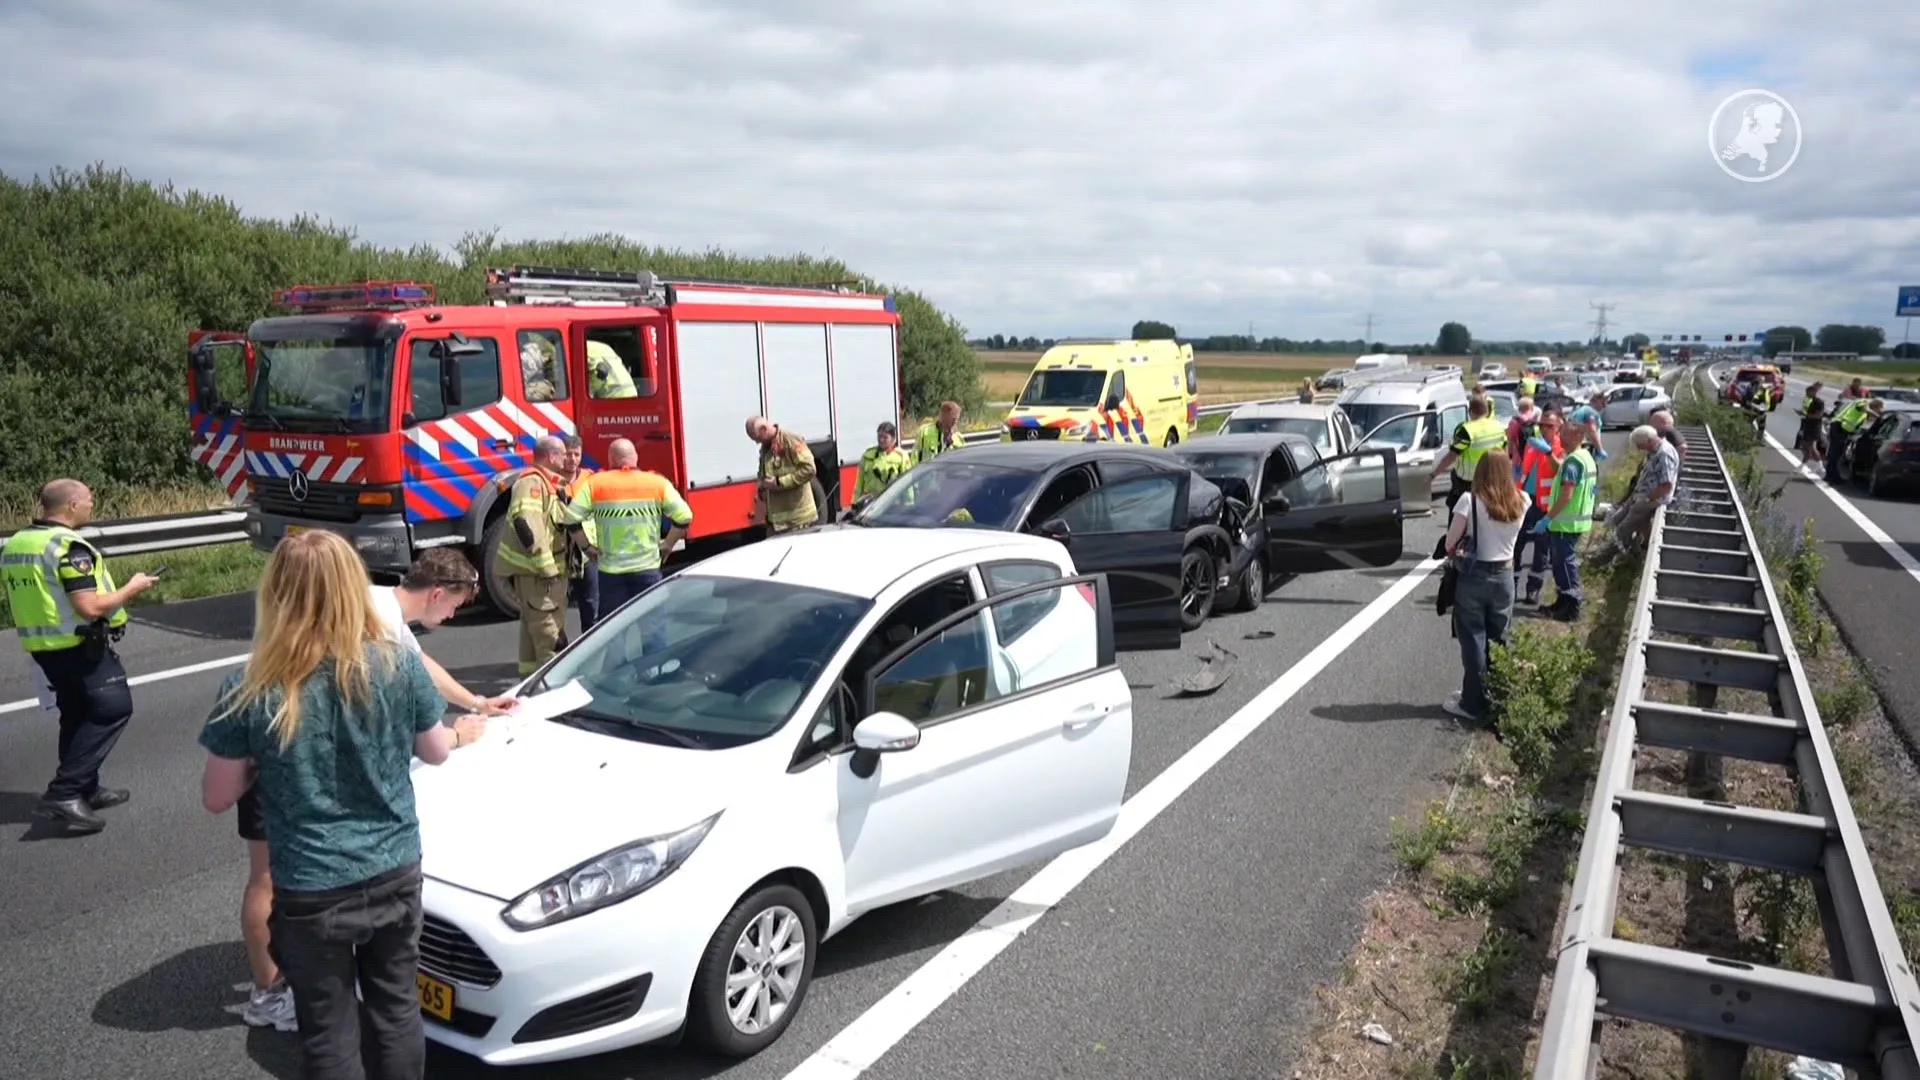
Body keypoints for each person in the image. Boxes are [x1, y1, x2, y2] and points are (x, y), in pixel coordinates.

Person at [198, 530, 482, 1080]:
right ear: (354, 587)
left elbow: (217, 797)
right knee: (396, 1008)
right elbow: (435, 751)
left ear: (275, 593)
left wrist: (261, 760)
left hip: (311, 881)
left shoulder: (250, 685)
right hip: (395, 865)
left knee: (328, 1027)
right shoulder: (397, 665)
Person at [1, 479, 160, 833]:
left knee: (75, 713)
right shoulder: (68, 547)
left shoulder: (18, 543)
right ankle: (65, 792)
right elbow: (88, 607)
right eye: (89, 499)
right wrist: (132, 588)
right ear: (71, 505)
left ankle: (86, 787)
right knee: (113, 708)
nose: (93, 504)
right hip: (78, 645)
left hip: (43, 647)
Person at [1441, 451, 1528, 724]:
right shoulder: (1523, 500)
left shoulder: (1469, 501)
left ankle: (1472, 702)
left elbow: (1449, 544)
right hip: (1505, 576)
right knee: (1499, 638)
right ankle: (1499, 696)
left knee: (1473, 639)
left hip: (1474, 576)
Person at [564, 437, 693, 616]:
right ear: (636, 458)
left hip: (611, 571)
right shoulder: (656, 482)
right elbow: (684, 516)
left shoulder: (596, 483)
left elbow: (571, 518)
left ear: (611, 459)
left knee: (614, 634)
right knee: (652, 630)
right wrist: (668, 545)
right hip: (647, 568)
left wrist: (587, 548)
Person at [499, 435, 571, 676]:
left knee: (533, 635)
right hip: (540, 578)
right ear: (550, 456)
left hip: (536, 576)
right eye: (563, 454)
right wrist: (546, 566)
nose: (567, 458)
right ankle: (553, 690)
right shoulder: (532, 484)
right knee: (552, 639)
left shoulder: (546, 483)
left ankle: (529, 684)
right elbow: (526, 525)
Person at [1534, 420, 1598, 621]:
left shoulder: (1573, 462)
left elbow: (1567, 495)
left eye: (1564, 435)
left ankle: (1571, 606)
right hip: (1574, 521)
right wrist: (1548, 453)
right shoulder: (1583, 457)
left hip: (1565, 523)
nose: (1559, 438)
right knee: (1560, 564)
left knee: (1564, 564)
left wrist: (1547, 518)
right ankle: (1562, 601)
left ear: (1577, 437)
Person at [1602, 425, 1682, 555]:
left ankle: (1610, 556)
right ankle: (1633, 550)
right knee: (1614, 520)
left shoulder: (1664, 454)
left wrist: (1647, 499)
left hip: (1652, 499)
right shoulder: (1653, 451)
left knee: (1624, 529)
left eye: (1640, 445)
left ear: (1649, 440)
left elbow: (1666, 485)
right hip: (1641, 495)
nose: (1639, 448)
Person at [1514, 408, 1564, 604]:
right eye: (1541, 425)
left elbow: (1560, 471)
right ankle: (1512, 584)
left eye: (1549, 426)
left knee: (1541, 550)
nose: (1544, 429)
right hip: (1525, 501)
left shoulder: (1561, 447)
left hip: (1545, 506)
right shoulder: (1532, 445)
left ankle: (1533, 589)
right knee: (1516, 544)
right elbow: (1522, 472)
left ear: (1559, 427)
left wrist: (1549, 453)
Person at [746, 415, 820, 535]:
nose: (757, 442)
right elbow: (764, 472)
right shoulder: (766, 448)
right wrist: (762, 487)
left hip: (798, 521)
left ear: (764, 429)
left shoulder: (791, 440)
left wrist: (779, 482)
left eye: (757, 438)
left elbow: (809, 469)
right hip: (776, 523)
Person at [1433, 393, 1506, 511]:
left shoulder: (1467, 430)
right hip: (1492, 480)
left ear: (1470, 411)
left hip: (1468, 484)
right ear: (1487, 411)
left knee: (1459, 514)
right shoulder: (1499, 427)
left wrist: (1433, 475)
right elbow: (1505, 453)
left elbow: (1451, 456)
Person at [557, 435, 600, 632]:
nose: (572, 459)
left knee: (590, 601)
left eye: (577, 454)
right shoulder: (552, 481)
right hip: (560, 552)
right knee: (558, 604)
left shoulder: (589, 479)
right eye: (568, 454)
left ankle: (590, 640)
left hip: (585, 552)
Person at [1825, 397, 1882, 483]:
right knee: (1835, 453)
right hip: (1839, 427)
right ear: (1875, 405)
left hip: (1843, 429)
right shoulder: (1864, 402)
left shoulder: (1865, 413)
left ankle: (1830, 475)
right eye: (1878, 409)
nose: (1877, 412)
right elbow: (1865, 408)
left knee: (1836, 453)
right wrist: (1878, 416)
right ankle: (1833, 476)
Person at [856, 422, 913, 500]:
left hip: (891, 503)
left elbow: (907, 483)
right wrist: (855, 504)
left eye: (885, 437)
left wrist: (909, 503)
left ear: (893, 438)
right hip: (870, 503)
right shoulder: (868, 456)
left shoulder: (901, 457)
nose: (881, 440)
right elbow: (859, 484)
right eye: (879, 436)